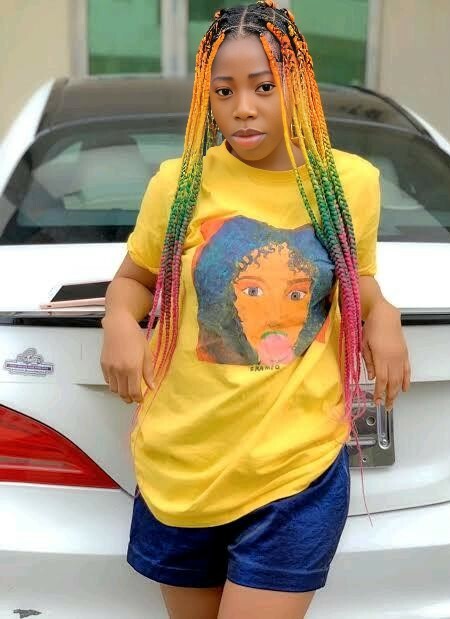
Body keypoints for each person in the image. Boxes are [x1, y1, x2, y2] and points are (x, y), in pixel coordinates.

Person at [100, 2, 410, 618]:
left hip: (292, 472)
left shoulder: (349, 185)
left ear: (298, 85)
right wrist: (117, 321)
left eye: (264, 87)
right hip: (182, 464)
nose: (243, 107)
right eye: (225, 91)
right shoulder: (178, 183)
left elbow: (357, 282)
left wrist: (384, 314)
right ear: (207, 99)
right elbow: (134, 280)